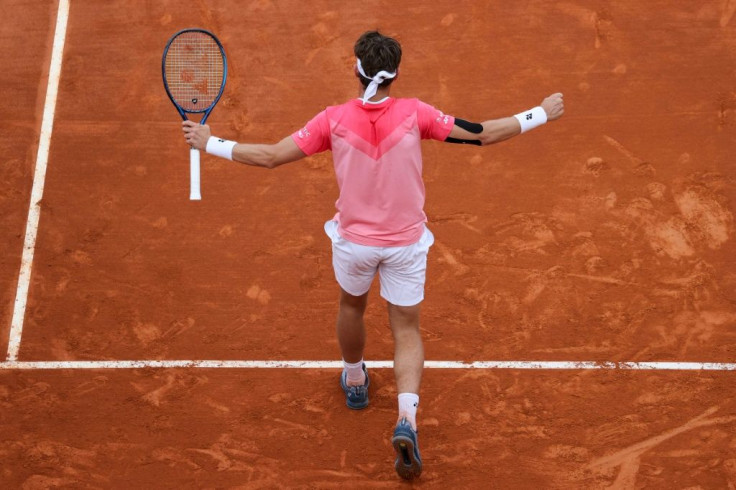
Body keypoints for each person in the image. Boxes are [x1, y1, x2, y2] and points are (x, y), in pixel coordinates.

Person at [182, 30, 564, 480]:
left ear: (355, 68)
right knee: (406, 327)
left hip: (355, 244)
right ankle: (406, 418)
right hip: (405, 244)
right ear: (395, 74)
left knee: (351, 304)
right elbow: (481, 134)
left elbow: (269, 157)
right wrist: (541, 113)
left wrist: (210, 143)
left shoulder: (333, 120)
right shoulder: (416, 114)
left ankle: (356, 380)